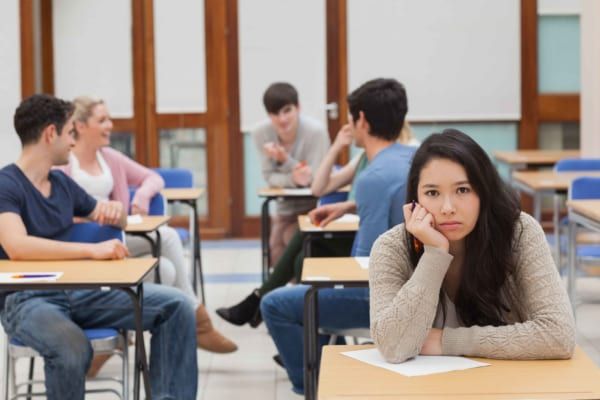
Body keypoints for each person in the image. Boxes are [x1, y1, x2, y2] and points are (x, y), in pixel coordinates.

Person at [0, 94, 198, 399]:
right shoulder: (6, 185)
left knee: (177, 306)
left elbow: (113, 218)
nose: (73, 142)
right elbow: (17, 246)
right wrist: (91, 250)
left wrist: (116, 211)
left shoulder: (61, 184)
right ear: (51, 133)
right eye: (69, 133)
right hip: (27, 300)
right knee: (71, 347)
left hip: (79, 292)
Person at [260, 78, 416, 394]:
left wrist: (328, 279)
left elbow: (364, 265)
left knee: (275, 304)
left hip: (383, 300)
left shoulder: (372, 175)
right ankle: (332, 368)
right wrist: (351, 205)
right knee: (310, 282)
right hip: (417, 289)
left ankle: (319, 388)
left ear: (362, 120)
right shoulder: (413, 158)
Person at [369, 129, 575, 363]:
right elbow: (393, 347)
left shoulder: (519, 232)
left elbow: (559, 335)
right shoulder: (391, 247)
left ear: (484, 192)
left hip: (509, 381)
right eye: (432, 192)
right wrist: (435, 254)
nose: (448, 208)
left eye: (463, 190)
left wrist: (447, 341)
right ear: (415, 199)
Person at [58, 96, 237, 355]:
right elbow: (59, 213)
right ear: (81, 126)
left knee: (165, 269)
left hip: (117, 237)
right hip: (85, 244)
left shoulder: (110, 158)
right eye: (102, 120)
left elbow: (153, 178)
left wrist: (140, 197)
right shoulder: (64, 163)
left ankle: (115, 343)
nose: (110, 125)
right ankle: (198, 319)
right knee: (168, 239)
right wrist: (92, 217)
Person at [216, 119, 418, 327]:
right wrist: (336, 147)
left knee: (304, 245)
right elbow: (318, 188)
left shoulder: (409, 157)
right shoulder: (366, 156)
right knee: (303, 255)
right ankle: (314, 334)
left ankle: (262, 302)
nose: (349, 127)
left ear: (364, 123)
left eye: (353, 121)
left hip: (376, 251)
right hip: (357, 235)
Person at [253, 82, 330, 265]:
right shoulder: (261, 133)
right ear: (269, 115)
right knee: (275, 252)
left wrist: (284, 159)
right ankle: (281, 285)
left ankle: (293, 283)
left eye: (287, 111)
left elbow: (313, 179)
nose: (282, 119)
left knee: (291, 240)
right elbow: (269, 177)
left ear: (298, 108)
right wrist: (294, 179)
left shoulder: (316, 132)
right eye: (275, 114)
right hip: (284, 209)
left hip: (314, 207)